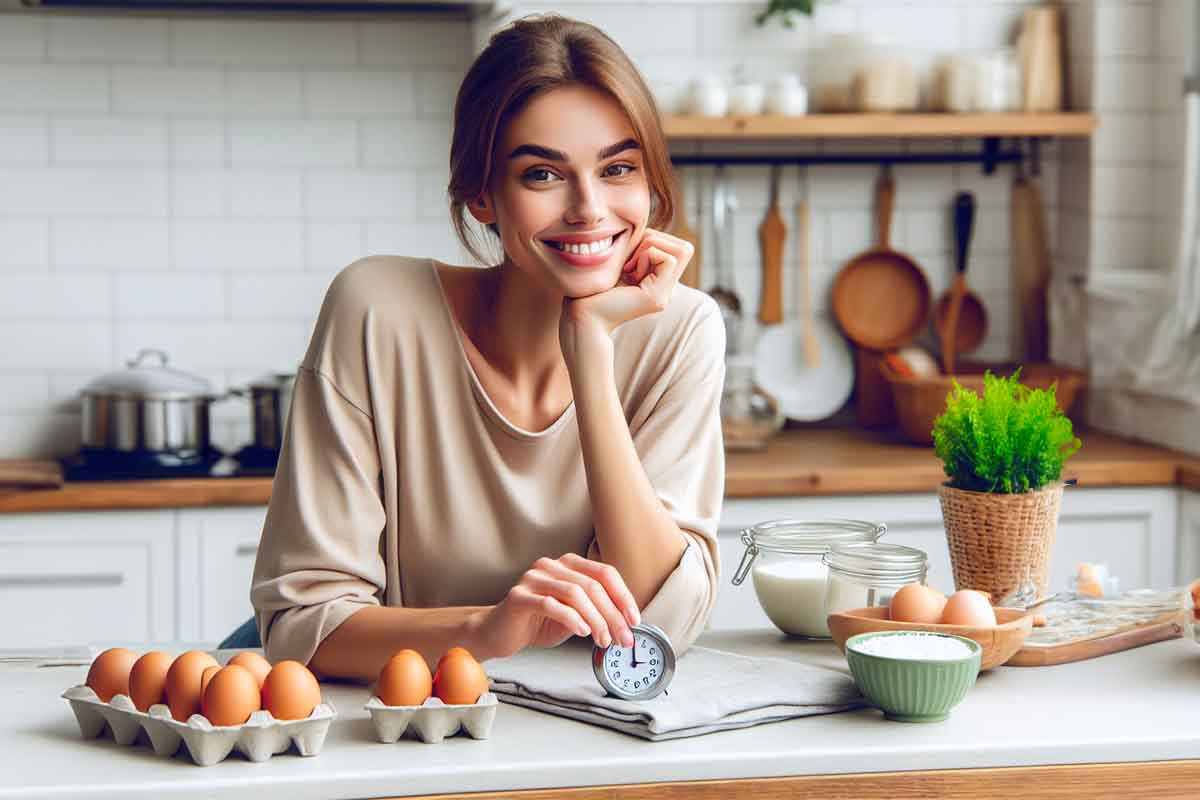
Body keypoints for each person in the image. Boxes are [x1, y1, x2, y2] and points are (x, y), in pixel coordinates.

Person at [239, 13, 726, 681]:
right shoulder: (377, 309)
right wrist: (487, 629)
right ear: (481, 195)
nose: (589, 208)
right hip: (401, 721)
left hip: (580, 731)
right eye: (542, 176)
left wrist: (588, 344)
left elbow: (660, 620)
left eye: (618, 168)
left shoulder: (681, 329)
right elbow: (303, 626)